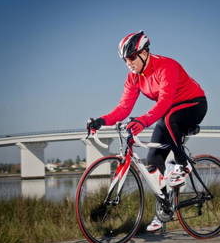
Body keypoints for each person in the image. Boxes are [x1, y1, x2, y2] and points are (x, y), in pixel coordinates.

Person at [88, 31, 207, 232]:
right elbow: (123, 108)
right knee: (153, 159)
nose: (129, 63)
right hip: (169, 113)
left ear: (144, 53)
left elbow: (164, 103)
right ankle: (164, 210)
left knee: (169, 118)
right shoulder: (133, 78)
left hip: (193, 104)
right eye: (126, 59)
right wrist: (101, 121)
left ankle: (182, 165)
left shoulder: (166, 66)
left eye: (132, 57)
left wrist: (142, 121)